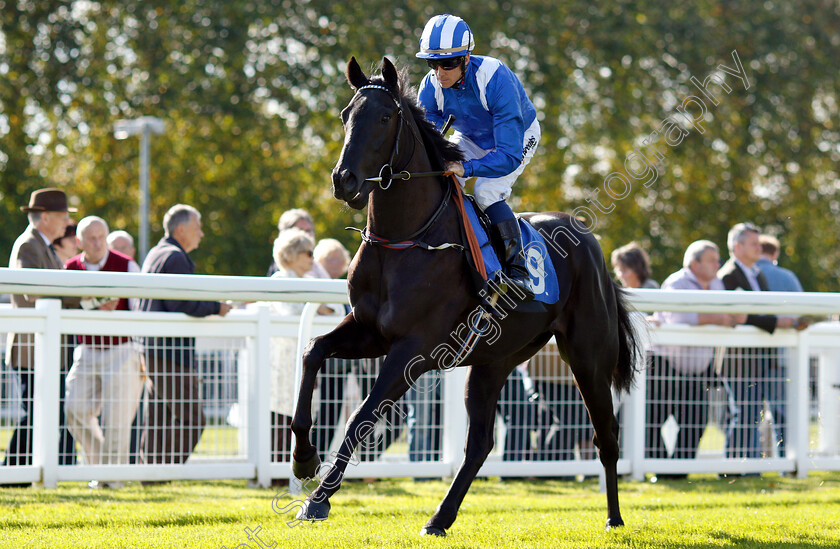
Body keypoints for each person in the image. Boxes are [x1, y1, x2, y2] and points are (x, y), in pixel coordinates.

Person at [416, 14, 540, 299]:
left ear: (467, 59)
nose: (439, 72)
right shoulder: (430, 86)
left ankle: (518, 271)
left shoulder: (496, 78)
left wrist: (467, 167)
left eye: (448, 63)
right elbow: (429, 125)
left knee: (486, 191)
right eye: (432, 63)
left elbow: (508, 155)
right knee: (442, 183)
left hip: (516, 137)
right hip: (471, 137)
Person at [137, 204, 232, 466]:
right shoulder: (175, 257)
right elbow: (182, 303)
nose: (201, 234)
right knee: (192, 419)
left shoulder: (156, 253)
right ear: (181, 230)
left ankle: (152, 472)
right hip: (171, 352)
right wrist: (217, 307)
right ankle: (167, 470)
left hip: (153, 348)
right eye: (197, 228)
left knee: (159, 417)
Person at [2, 188, 81, 483]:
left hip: (43, 349)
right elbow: (32, 291)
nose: (67, 223)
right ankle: (12, 473)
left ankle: (16, 474)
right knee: (36, 413)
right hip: (31, 349)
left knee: (44, 413)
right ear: (44, 217)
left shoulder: (42, 246)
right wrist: (77, 298)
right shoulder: (29, 245)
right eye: (63, 216)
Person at [647, 241, 746, 470]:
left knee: (696, 421)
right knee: (651, 421)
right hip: (666, 365)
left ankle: (678, 472)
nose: (717, 264)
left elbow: (728, 317)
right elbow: (678, 318)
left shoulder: (717, 284)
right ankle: (660, 467)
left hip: (698, 369)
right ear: (694, 263)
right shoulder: (676, 283)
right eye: (712, 260)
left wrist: (724, 318)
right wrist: (716, 318)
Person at [63, 216, 145, 488]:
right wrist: (90, 306)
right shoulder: (70, 268)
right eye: (91, 237)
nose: (97, 242)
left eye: (101, 236)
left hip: (122, 349)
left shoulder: (126, 265)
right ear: (79, 241)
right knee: (74, 408)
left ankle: (113, 480)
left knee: (118, 417)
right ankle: (102, 467)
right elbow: (64, 306)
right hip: (86, 349)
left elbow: (140, 308)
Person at [717, 223, 800, 459]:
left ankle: (748, 468)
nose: (758, 247)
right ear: (737, 246)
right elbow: (738, 315)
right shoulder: (728, 275)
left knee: (752, 414)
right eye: (753, 243)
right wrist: (776, 323)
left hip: (760, 356)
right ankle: (733, 469)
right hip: (738, 358)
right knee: (743, 413)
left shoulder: (757, 273)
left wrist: (776, 320)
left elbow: (756, 313)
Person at [264, 229, 334, 464]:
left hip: (303, 359)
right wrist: (316, 307)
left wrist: (319, 307)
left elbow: (337, 310)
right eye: (308, 253)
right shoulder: (280, 280)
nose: (312, 259)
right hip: (280, 360)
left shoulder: (311, 282)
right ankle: (275, 469)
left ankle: (295, 465)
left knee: (301, 411)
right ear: (292, 254)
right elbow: (289, 312)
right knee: (279, 414)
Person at [756, 234, 806, 457]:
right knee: (782, 411)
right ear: (775, 253)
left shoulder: (750, 272)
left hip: (748, 356)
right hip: (781, 355)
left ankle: (747, 461)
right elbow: (803, 312)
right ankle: (786, 458)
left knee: (747, 412)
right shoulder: (787, 277)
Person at [266, 209, 330, 279]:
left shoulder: (315, 271)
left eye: (308, 230)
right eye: (300, 230)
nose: (306, 234)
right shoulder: (279, 277)